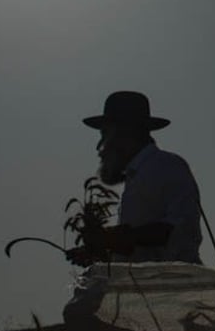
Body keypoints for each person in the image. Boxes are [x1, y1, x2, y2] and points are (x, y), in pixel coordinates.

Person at [66, 91, 203, 265]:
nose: (100, 146)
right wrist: (102, 255)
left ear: (124, 132)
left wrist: (115, 238)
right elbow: (141, 253)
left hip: (174, 286)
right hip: (147, 287)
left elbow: (179, 230)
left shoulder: (167, 166)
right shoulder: (137, 176)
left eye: (105, 134)